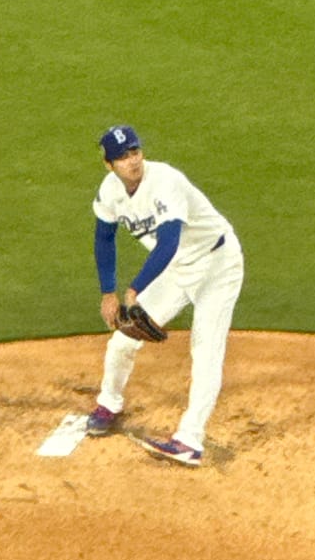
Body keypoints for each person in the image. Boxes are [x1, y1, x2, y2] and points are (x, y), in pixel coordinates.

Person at [86, 124, 244, 467]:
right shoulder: (110, 191)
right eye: (123, 157)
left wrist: (135, 289)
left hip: (218, 264)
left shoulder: (166, 180)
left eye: (135, 152)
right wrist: (108, 292)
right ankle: (108, 403)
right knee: (123, 340)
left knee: (205, 351)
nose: (132, 161)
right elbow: (104, 238)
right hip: (177, 270)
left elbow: (169, 242)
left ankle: (190, 440)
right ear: (109, 164)